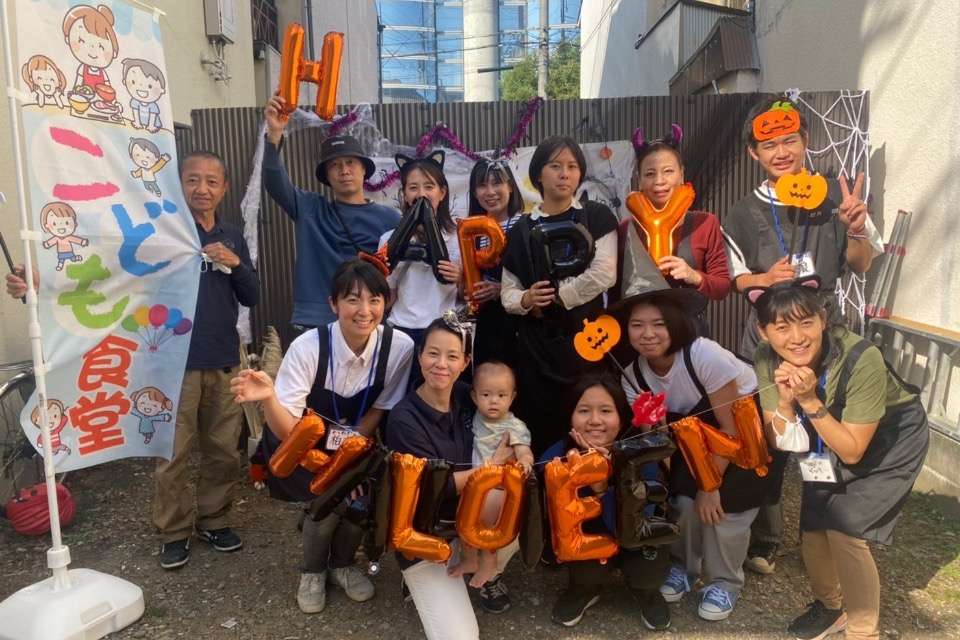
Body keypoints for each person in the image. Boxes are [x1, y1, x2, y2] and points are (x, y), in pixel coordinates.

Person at [723, 96, 884, 576]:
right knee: (775, 442)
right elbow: (733, 278)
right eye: (768, 145)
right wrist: (762, 279)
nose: (781, 152)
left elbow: (861, 264)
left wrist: (856, 228)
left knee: (830, 434)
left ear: (806, 142)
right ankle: (766, 539)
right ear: (753, 154)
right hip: (775, 342)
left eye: (789, 140)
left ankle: (829, 532)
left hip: (828, 336)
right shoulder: (743, 212)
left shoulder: (837, 197)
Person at [230, 259, 414, 613]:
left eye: (374, 300)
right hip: (300, 441)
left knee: (361, 499)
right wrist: (268, 397)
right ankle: (312, 570)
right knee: (327, 498)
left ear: (385, 303)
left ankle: (342, 564)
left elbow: (381, 406)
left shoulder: (399, 346)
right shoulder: (308, 346)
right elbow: (287, 428)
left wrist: (352, 452)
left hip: (356, 438)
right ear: (333, 304)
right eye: (352, 300)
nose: (365, 311)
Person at [751, 278, 928, 640]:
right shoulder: (765, 358)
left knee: (846, 527)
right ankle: (830, 608)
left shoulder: (861, 356)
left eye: (806, 323)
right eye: (782, 327)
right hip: (826, 430)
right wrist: (786, 401)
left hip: (891, 436)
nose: (797, 337)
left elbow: (852, 450)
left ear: (823, 319)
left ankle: (863, 631)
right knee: (814, 525)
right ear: (764, 332)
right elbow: (777, 438)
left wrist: (809, 401)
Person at [614, 281, 783, 622]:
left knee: (727, 515)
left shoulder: (703, 355)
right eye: (637, 325)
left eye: (658, 324)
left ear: (675, 324)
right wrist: (665, 475)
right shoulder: (632, 376)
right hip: (693, 446)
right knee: (683, 505)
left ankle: (725, 582)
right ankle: (683, 568)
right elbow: (657, 439)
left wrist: (709, 487)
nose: (648, 334)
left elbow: (731, 430)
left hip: (744, 442)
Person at [154, 150, 260, 569]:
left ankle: (214, 518)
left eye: (212, 181)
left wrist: (235, 265)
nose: (202, 189)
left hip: (221, 357)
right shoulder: (164, 233)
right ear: (179, 184)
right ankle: (174, 530)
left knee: (222, 450)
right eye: (193, 180)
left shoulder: (231, 236)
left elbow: (252, 295)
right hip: (172, 359)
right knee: (172, 453)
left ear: (224, 188)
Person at [386, 316, 518, 636]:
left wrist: (511, 447)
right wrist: (489, 467)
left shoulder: (467, 396)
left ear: (465, 362)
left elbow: (505, 429)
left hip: (468, 520)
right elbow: (432, 487)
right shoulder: (404, 418)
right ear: (420, 357)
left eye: (452, 356)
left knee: (516, 498)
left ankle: (483, 566)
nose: (441, 364)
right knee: (461, 636)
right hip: (426, 535)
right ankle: (422, 579)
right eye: (433, 353)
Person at [501, 136, 619, 453]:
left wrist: (556, 296)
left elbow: (604, 274)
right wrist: (526, 300)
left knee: (588, 431)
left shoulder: (596, 217)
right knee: (541, 433)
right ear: (539, 173)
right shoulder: (520, 230)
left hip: (587, 344)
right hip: (536, 353)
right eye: (555, 166)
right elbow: (507, 292)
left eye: (572, 167)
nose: (564, 174)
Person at [540, 373, 671, 630]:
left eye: (606, 411)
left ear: (621, 417)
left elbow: (633, 527)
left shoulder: (641, 455)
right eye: (584, 410)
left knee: (648, 565)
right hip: (589, 543)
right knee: (585, 571)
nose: (595, 420)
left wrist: (601, 485)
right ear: (570, 416)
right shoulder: (556, 456)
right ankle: (583, 589)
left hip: (635, 536)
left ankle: (647, 592)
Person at [262, 95, 400, 332]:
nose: (344, 170)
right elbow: (275, 182)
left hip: (366, 319)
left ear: (364, 170)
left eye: (350, 163)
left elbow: (401, 273)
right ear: (326, 176)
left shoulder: (390, 219)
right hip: (317, 319)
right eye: (335, 165)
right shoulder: (310, 208)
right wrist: (274, 136)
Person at [621, 125, 730, 313]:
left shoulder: (705, 223)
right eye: (650, 174)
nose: (659, 181)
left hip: (690, 330)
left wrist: (693, 276)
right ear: (639, 180)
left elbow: (722, 286)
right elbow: (616, 290)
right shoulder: (626, 229)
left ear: (681, 174)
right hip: (642, 332)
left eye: (668, 171)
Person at [379, 152, 462, 390]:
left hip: (443, 332)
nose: (421, 194)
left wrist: (460, 278)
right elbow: (389, 295)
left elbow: (467, 296)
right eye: (413, 187)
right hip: (401, 332)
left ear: (442, 192)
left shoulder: (458, 236)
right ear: (404, 194)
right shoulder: (387, 239)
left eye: (429, 186)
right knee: (399, 399)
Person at [448, 360, 532, 588]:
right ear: (474, 397)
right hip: (473, 484)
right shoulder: (474, 418)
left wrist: (524, 460)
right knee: (465, 527)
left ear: (512, 398)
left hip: (496, 489)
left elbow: (524, 450)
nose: (493, 401)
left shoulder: (513, 426)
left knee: (485, 531)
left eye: (501, 395)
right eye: (486, 395)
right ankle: (469, 561)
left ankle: (488, 565)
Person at [466, 159, 524, 367]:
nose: (490, 192)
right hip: (485, 325)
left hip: (520, 324)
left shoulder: (526, 225)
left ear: (510, 186)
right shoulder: (472, 232)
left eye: (497, 183)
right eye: (482, 185)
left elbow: (537, 278)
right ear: (474, 193)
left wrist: (502, 289)